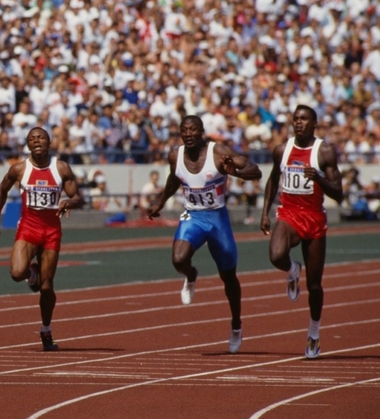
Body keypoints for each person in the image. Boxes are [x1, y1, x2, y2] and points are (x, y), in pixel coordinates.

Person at [147, 115, 262, 354]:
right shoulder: (174, 155)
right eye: (184, 130)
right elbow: (173, 179)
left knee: (228, 277)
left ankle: (236, 325)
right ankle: (191, 275)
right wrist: (160, 203)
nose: (188, 134)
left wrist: (237, 173)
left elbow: (255, 171)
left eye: (193, 130)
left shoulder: (217, 152)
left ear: (201, 133)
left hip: (217, 219)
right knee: (178, 259)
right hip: (194, 217)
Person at [0, 127, 83, 351]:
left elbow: (78, 197)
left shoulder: (60, 168)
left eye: (41, 137)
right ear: (28, 145)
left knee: (47, 287)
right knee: (16, 273)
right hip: (28, 227)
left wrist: (70, 202)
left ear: (49, 143)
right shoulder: (19, 169)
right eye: (32, 138)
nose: (37, 140)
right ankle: (32, 273)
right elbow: (1, 191)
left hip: (51, 231)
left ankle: (46, 330)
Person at [260, 105, 343, 359]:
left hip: (314, 219)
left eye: (304, 119)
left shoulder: (324, 152)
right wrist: (265, 212)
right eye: (295, 119)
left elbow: (339, 194)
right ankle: (292, 270)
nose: (298, 123)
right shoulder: (282, 150)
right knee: (275, 255)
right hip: (289, 214)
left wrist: (318, 178)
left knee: (315, 286)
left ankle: (314, 333)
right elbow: (273, 179)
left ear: (314, 123)